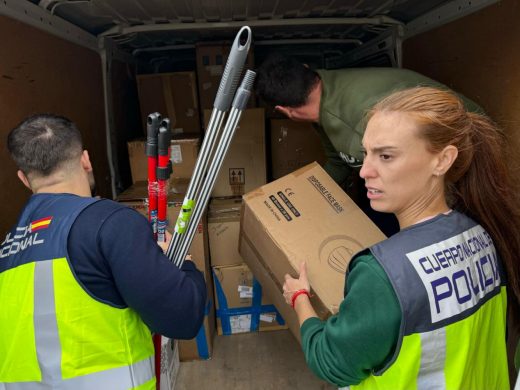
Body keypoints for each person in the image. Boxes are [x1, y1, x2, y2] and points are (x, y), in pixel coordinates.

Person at [282, 87, 520, 389]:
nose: (365, 171)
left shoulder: (383, 274)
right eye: (366, 153)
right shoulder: (485, 235)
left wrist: (300, 298)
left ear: (443, 160)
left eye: (386, 156)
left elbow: (331, 362)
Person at [0, 114, 207, 388]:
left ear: (24, 179)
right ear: (85, 160)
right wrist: (184, 264)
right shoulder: (111, 224)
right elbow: (183, 317)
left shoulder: (7, 247)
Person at [256, 54, 483, 236]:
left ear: (284, 111)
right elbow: (339, 161)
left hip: (468, 152)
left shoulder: (356, 124)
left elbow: (427, 179)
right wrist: (305, 203)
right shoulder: (326, 95)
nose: (363, 172)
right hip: (444, 150)